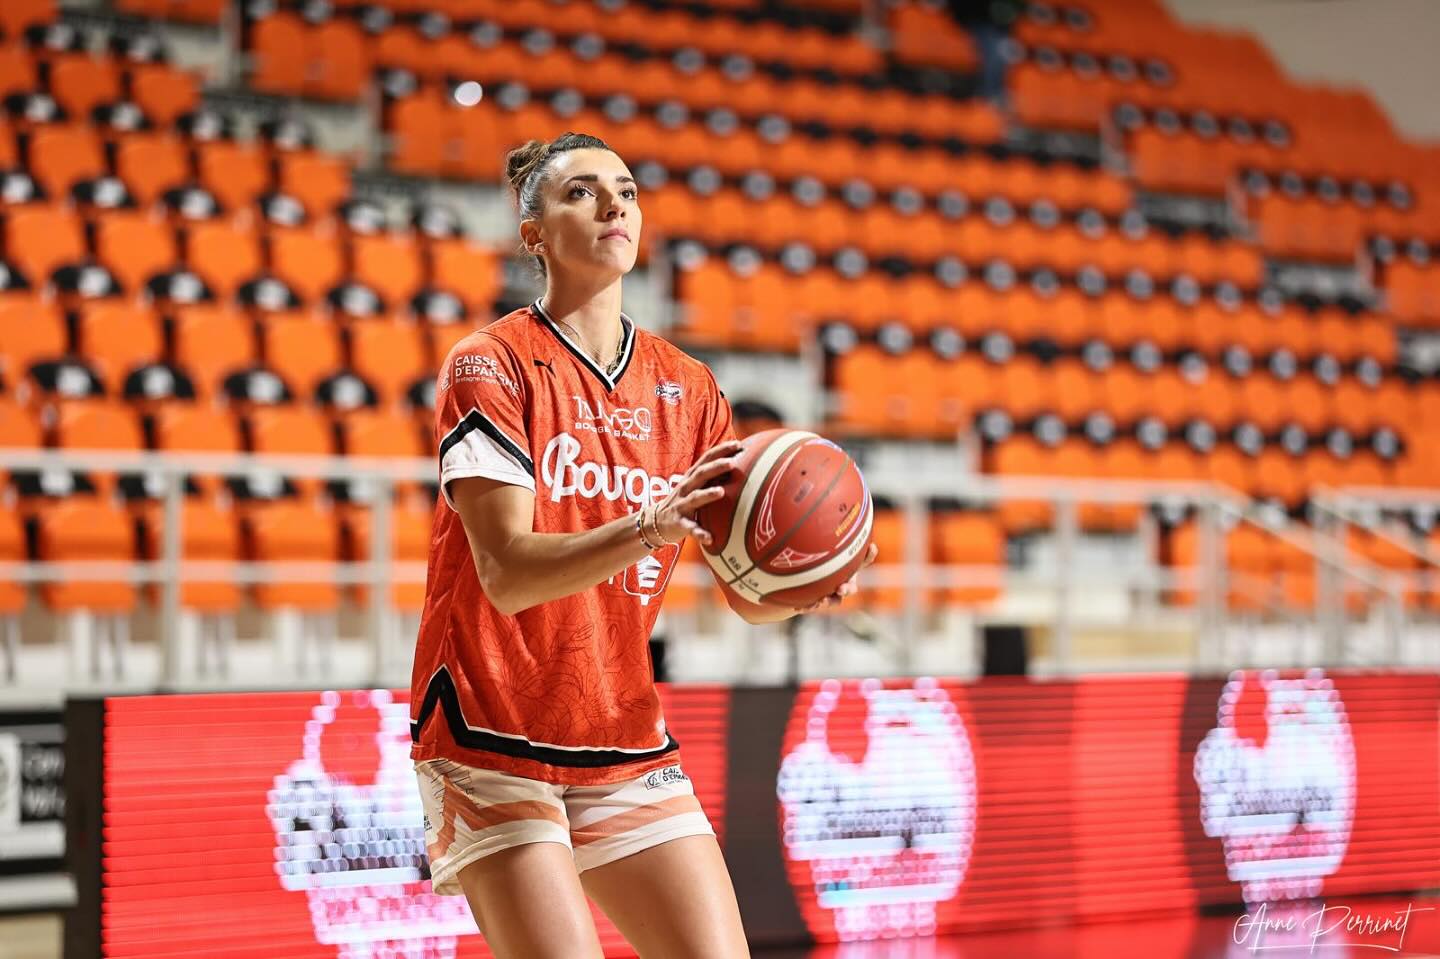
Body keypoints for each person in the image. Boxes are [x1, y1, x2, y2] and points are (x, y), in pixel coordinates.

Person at [410, 131, 876, 959]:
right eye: (581, 192)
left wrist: (806, 585)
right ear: (533, 234)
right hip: (489, 730)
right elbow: (506, 572)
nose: (613, 205)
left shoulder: (690, 390)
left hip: (622, 733)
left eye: (625, 190)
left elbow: (742, 595)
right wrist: (649, 527)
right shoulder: (491, 365)